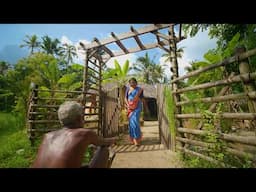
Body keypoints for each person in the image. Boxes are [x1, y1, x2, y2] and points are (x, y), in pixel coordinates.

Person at [31, 101, 116, 168]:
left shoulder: (47, 136)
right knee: (104, 149)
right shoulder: (83, 133)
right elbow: (104, 142)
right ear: (79, 118)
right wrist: (114, 140)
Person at [125, 78, 144, 146]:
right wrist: (128, 105)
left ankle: (136, 139)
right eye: (131, 83)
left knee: (135, 122)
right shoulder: (127, 89)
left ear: (136, 83)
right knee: (131, 124)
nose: (132, 84)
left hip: (137, 107)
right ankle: (133, 138)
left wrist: (135, 99)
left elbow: (141, 99)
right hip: (130, 108)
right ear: (129, 83)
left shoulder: (140, 90)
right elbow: (126, 98)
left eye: (134, 82)